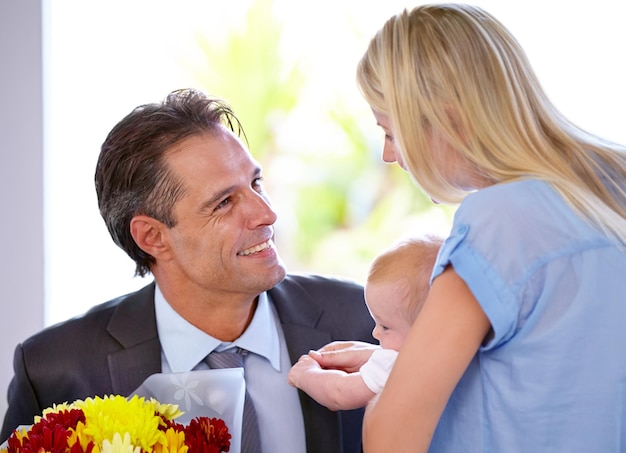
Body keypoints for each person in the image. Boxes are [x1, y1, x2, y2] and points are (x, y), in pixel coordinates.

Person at [311, 4, 626, 452]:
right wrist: (393, 361)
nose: (388, 155)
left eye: (390, 131)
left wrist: (386, 377)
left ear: (446, 119)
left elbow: (390, 440)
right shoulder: (611, 188)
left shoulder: (500, 221)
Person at [0, 88, 376, 452]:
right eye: (224, 202)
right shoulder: (55, 370)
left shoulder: (364, 321)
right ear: (152, 237)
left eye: (256, 183)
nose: (267, 214)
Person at [288, 235, 442, 411]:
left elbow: (339, 392)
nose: (375, 333)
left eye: (385, 327)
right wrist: (372, 354)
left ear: (425, 329)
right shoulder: (459, 352)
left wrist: (305, 374)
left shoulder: (399, 366)